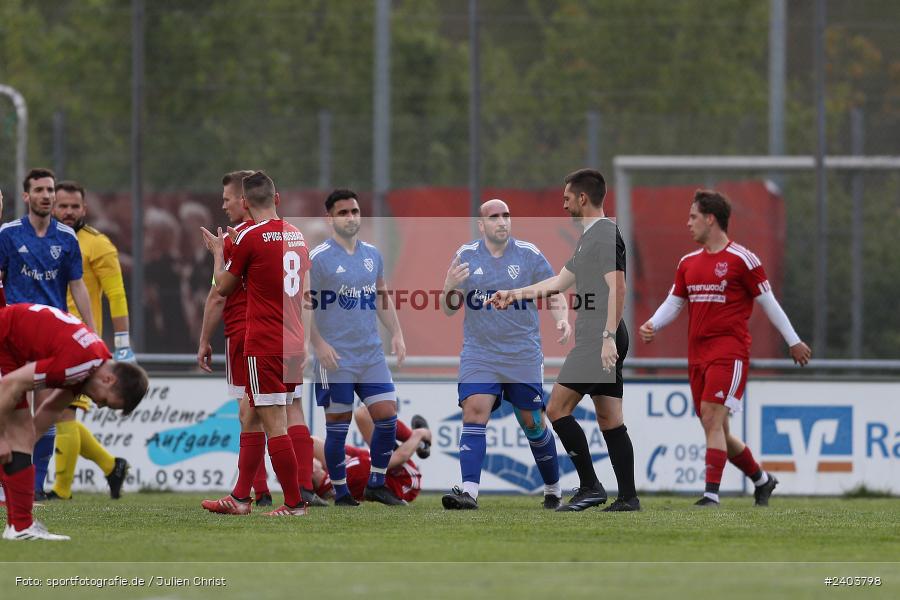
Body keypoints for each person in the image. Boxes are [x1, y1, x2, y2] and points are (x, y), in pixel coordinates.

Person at [639, 189, 812, 507]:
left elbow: (768, 302)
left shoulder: (743, 259)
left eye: (693, 217)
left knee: (710, 418)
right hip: (697, 355)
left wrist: (794, 340)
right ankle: (762, 480)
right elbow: (675, 303)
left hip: (728, 353)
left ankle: (711, 494)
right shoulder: (688, 263)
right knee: (717, 427)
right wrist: (653, 323)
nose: (687, 223)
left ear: (710, 219)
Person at [492, 168, 640, 512]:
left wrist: (606, 339)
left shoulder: (603, 235)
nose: (564, 205)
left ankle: (590, 486)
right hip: (605, 335)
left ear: (583, 199)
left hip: (598, 336)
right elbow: (558, 283)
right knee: (610, 418)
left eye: (567, 198)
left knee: (556, 409)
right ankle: (629, 497)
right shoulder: (591, 236)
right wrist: (514, 294)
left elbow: (618, 287)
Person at [439, 199, 568, 510]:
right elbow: (447, 309)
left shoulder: (529, 254)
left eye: (506, 216)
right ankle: (469, 493)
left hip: (521, 352)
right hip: (480, 352)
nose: (502, 222)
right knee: (474, 410)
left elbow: (555, 290)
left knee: (533, 423)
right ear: (481, 225)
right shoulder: (466, 255)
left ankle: (553, 489)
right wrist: (449, 286)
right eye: (494, 217)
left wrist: (562, 318)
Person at [200, 170, 312, 517]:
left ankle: (294, 503)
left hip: (263, 341)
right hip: (293, 341)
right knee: (251, 415)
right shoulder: (297, 236)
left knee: (273, 422)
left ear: (245, 202)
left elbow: (223, 288)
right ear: (277, 199)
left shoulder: (251, 238)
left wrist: (219, 253)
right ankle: (239, 497)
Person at [0, 303, 149, 541]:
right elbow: (10, 385)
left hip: (8, 344)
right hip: (5, 341)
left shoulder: (95, 361)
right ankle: (20, 526)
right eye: (108, 402)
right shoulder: (79, 364)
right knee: (15, 434)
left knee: (21, 435)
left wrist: (23, 449)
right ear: (109, 380)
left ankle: (20, 526)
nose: (99, 405)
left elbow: (50, 408)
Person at [0, 168, 97, 500]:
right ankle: (10, 479)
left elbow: (77, 285)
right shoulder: (8, 234)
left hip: (53, 336)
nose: (46, 195)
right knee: (13, 408)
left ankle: (36, 485)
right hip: (14, 334)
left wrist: (91, 330)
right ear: (26, 196)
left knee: (47, 410)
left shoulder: (67, 238)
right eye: (39, 189)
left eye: (50, 189)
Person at [309, 189, 407, 506]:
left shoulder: (373, 255)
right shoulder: (319, 258)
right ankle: (341, 493)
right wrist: (319, 345)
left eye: (354, 211)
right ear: (330, 219)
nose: (351, 217)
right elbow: (302, 306)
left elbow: (381, 294)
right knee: (338, 425)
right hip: (335, 357)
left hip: (370, 354)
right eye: (343, 213)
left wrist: (397, 332)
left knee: (387, 415)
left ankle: (377, 482)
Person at [48, 180, 133, 501]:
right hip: (44, 338)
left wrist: (123, 343)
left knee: (64, 412)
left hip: (79, 342)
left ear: (85, 209)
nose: (68, 212)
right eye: (62, 206)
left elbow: (116, 294)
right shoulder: (44, 240)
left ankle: (61, 490)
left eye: (74, 207)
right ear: (52, 207)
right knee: (53, 413)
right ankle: (112, 466)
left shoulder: (98, 245)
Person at [311, 407, 431, 504]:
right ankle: (419, 439)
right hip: (401, 480)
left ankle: (418, 441)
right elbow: (395, 459)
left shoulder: (327, 476)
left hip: (363, 460)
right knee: (367, 415)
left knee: (363, 413)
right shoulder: (329, 484)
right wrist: (420, 434)